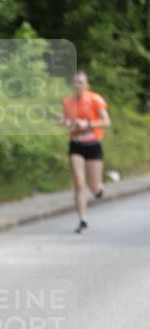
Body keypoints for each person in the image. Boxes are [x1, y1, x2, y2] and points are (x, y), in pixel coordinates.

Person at [57, 71, 111, 233]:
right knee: (79, 183)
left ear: (86, 85)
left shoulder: (95, 99)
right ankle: (83, 220)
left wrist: (87, 124)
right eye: (75, 82)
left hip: (93, 145)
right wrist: (64, 122)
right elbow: (69, 122)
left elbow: (107, 122)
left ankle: (98, 190)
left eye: (80, 82)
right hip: (76, 145)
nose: (77, 85)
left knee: (94, 187)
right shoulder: (67, 103)